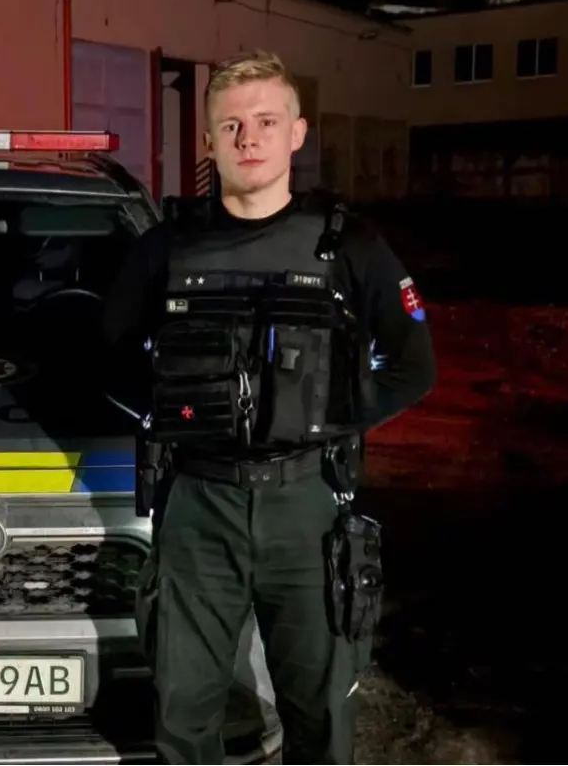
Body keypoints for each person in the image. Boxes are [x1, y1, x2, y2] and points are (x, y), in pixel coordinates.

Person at [101, 50, 437, 764]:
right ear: (209, 141)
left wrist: (327, 417)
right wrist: (168, 414)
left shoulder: (350, 248)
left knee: (318, 712)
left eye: (264, 121)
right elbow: (110, 358)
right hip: (198, 505)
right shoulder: (165, 247)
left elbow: (413, 368)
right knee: (184, 713)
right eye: (230, 125)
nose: (247, 138)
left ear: (296, 133)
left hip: (307, 508)